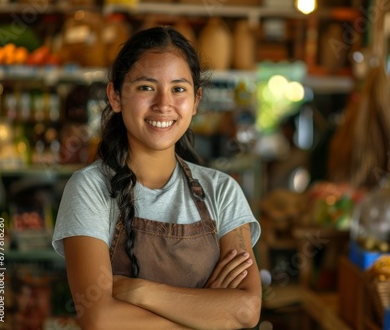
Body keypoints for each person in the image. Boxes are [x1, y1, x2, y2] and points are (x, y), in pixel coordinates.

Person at [52, 26, 262, 329]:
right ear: (115, 96)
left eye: (178, 89)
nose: (164, 104)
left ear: (196, 100)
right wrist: (205, 312)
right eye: (146, 87)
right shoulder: (89, 189)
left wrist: (140, 291)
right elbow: (99, 319)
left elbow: (246, 310)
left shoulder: (222, 191)